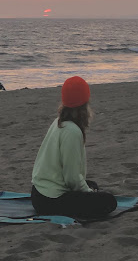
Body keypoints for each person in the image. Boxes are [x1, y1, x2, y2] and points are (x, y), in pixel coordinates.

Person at [31, 76, 117, 219]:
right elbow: (71, 178)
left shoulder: (58, 122)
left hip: (39, 192)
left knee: (92, 184)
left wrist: (88, 189)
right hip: (49, 200)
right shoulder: (72, 131)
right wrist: (88, 193)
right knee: (109, 201)